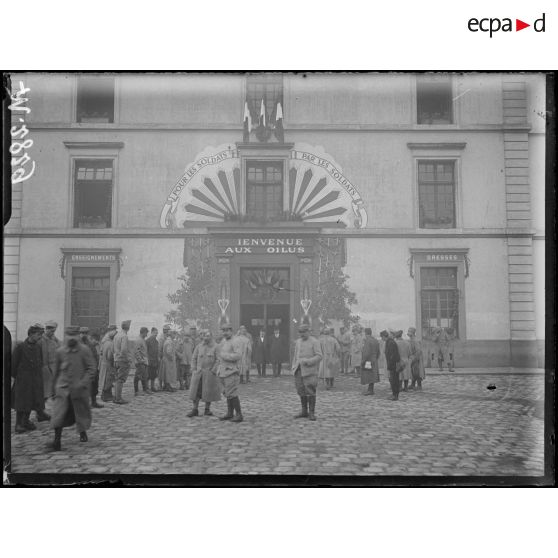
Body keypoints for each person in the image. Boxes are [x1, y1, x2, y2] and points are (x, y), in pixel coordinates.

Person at [48, 325, 96, 451]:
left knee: (80, 412)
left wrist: (83, 382)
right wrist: (53, 388)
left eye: (74, 336)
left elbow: (91, 369)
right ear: (66, 337)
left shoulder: (84, 350)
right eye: (69, 337)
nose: (71, 339)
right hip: (62, 388)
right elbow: (56, 371)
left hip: (79, 389)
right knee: (59, 414)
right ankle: (57, 440)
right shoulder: (60, 351)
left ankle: (82, 432)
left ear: (78, 337)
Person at [12, 324, 49, 433]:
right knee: (22, 402)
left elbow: (40, 362)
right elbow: (13, 366)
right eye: (38, 334)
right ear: (31, 334)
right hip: (23, 380)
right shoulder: (20, 347)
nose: (40, 337)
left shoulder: (38, 347)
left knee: (32, 400)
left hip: (35, 379)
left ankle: (25, 421)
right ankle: (18, 424)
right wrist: (20, 377)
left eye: (41, 335)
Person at [187, 329, 221, 417]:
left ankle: (207, 409)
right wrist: (194, 369)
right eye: (205, 335)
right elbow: (194, 358)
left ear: (211, 337)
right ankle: (195, 409)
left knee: (208, 392)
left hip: (209, 374)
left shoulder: (216, 347)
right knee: (196, 392)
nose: (206, 338)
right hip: (198, 373)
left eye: (208, 336)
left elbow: (218, 360)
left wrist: (213, 370)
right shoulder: (199, 346)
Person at [292, 324, 322, 421]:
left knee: (310, 391)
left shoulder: (314, 342)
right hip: (299, 370)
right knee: (301, 390)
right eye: (300, 332)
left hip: (310, 371)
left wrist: (309, 361)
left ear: (309, 331)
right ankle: (304, 411)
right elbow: (295, 355)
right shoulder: (298, 342)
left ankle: (311, 413)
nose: (302, 334)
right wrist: (294, 367)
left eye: (304, 332)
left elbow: (319, 356)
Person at [216, 323, 243, 423]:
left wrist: (224, 356)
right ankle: (230, 413)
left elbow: (238, 355)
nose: (225, 333)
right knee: (228, 393)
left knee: (232, 393)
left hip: (231, 371)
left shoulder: (236, 341)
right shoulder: (224, 341)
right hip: (223, 371)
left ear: (231, 331)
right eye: (223, 331)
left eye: (227, 330)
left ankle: (239, 414)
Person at [80, 326, 103, 408]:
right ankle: (84, 404)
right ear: (79, 334)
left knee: (94, 386)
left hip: (93, 368)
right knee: (85, 387)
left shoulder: (90, 343)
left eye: (86, 333)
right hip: (84, 370)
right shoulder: (78, 344)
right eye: (82, 333)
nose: (84, 335)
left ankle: (93, 402)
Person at [40, 320, 60, 402]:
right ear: (46, 329)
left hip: (54, 368)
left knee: (52, 390)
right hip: (46, 368)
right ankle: (40, 411)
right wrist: (46, 369)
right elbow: (43, 356)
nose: (53, 333)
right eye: (51, 331)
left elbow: (59, 348)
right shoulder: (42, 340)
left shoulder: (54, 339)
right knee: (45, 391)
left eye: (54, 331)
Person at [113, 320, 133, 404]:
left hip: (116, 359)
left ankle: (116, 397)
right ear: (128, 327)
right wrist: (128, 359)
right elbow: (124, 350)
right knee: (120, 380)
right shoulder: (124, 336)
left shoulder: (117, 335)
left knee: (117, 379)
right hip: (122, 360)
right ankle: (118, 398)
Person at [99, 326, 117, 401]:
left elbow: (101, 352)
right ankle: (106, 396)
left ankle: (107, 395)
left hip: (104, 363)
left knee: (105, 380)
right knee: (108, 380)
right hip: (108, 364)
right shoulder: (110, 344)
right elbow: (110, 356)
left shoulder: (105, 342)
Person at [381, 330, 400, 401]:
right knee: (393, 380)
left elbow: (392, 355)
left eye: (382, 337)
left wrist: (390, 365)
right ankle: (394, 394)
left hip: (393, 365)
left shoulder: (390, 343)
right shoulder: (389, 342)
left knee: (394, 380)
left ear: (383, 336)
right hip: (392, 364)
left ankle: (395, 395)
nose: (381, 339)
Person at [361, 327, 380, 395]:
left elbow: (366, 352)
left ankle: (370, 390)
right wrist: (376, 358)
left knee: (369, 374)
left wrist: (363, 361)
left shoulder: (367, 341)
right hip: (374, 359)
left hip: (368, 360)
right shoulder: (375, 340)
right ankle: (371, 388)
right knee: (373, 374)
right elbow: (378, 351)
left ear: (365, 333)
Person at [134, 326, 151, 395]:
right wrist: (140, 360)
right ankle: (136, 391)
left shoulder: (142, 339)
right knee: (137, 377)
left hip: (144, 361)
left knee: (144, 376)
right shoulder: (139, 340)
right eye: (146, 333)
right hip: (140, 362)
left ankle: (145, 389)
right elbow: (136, 351)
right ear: (143, 332)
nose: (146, 335)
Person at [146, 327, 160, 392]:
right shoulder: (147, 341)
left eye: (157, 333)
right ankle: (146, 387)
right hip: (149, 361)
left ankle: (152, 387)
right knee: (148, 375)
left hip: (155, 361)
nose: (156, 335)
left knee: (154, 375)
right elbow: (146, 351)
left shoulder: (156, 341)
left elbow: (157, 351)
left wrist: (158, 359)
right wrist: (147, 360)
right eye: (155, 333)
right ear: (151, 333)